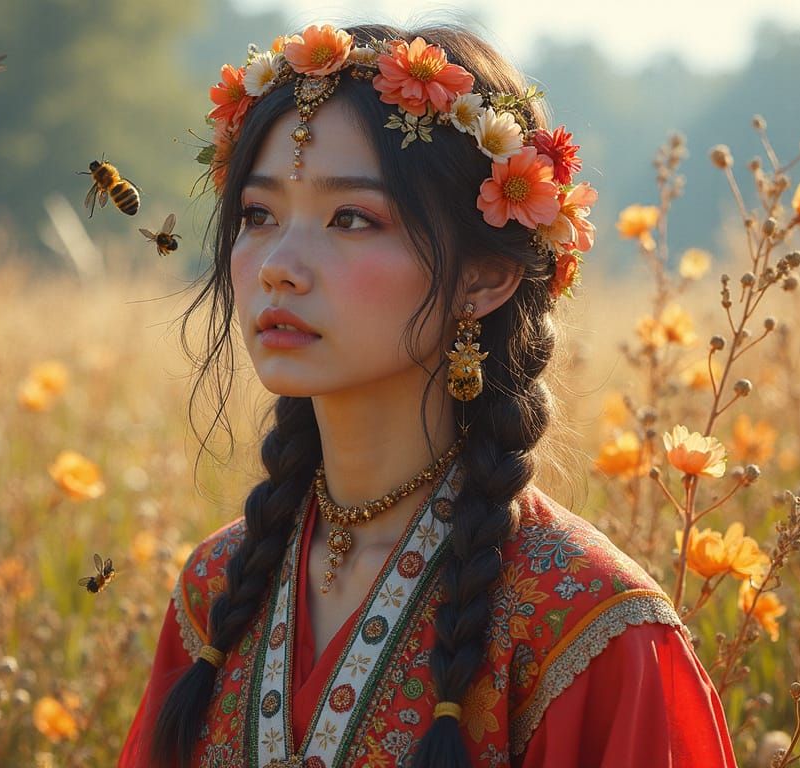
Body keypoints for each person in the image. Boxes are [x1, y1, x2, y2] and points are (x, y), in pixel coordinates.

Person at [119, 22, 738, 768]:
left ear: (484, 278)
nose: (278, 265)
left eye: (351, 218)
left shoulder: (586, 624)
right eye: (258, 215)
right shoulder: (216, 594)